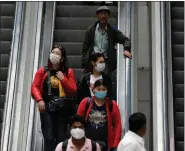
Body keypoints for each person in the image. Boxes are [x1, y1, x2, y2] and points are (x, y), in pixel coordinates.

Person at [31, 45, 77, 151]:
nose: (54, 55)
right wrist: (40, 99)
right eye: (53, 52)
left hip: (63, 109)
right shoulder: (43, 71)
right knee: (49, 136)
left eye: (57, 54)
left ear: (62, 58)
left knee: (61, 137)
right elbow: (34, 86)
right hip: (47, 107)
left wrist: (63, 79)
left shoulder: (68, 72)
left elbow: (73, 89)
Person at [81, 5, 132, 74]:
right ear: (97, 15)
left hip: (106, 62)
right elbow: (85, 48)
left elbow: (126, 40)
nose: (103, 16)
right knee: (92, 81)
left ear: (109, 15)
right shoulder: (91, 30)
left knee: (105, 83)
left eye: (105, 14)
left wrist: (126, 49)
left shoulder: (112, 31)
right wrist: (83, 65)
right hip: (93, 61)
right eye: (101, 14)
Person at [77, 79, 122, 151]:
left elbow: (118, 125)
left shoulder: (112, 104)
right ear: (93, 90)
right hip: (87, 145)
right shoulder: (86, 102)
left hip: (106, 145)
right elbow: (77, 123)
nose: (101, 91)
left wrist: (115, 145)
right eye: (98, 89)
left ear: (107, 91)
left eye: (103, 89)